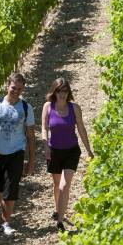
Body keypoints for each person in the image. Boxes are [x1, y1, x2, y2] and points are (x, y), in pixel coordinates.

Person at [0, 73, 36, 236]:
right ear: (8, 86)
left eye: (20, 89)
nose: (16, 91)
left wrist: (31, 160)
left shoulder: (26, 108)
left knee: (12, 188)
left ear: (23, 90)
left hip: (16, 152)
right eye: (14, 88)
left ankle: (6, 223)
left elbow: (31, 137)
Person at [41, 78, 94, 232]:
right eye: (59, 91)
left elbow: (82, 130)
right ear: (54, 92)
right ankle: (58, 209)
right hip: (54, 151)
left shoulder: (75, 108)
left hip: (71, 151)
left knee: (65, 185)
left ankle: (60, 221)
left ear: (68, 92)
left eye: (65, 91)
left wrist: (89, 150)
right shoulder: (48, 107)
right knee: (57, 185)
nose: (62, 94)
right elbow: (44, 128)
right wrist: (45, 146)